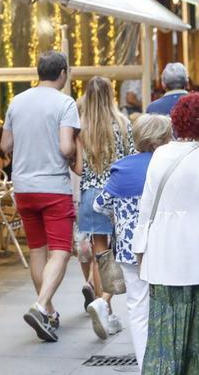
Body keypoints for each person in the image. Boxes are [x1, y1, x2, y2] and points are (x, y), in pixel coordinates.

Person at [131, 93, 199, 373]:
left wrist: (140, 248)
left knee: (165, 327)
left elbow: (146, 206)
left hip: (164, 252)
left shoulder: (160, 155)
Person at [1, 50, 80, 342]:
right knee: (61, 251)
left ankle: (47, 311)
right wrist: (74, 147)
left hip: (23, 187)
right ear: (62, 73)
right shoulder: (65, 103)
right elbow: (65, 148)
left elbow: (5, 144)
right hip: (53, 187)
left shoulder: (17, 101)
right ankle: (38, 305)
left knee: (38, 250)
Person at [94, 114, 172, 370]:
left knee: (138, 308)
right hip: (165, 245)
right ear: (160, 139)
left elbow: (99, 204)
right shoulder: (168, 165)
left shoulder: (122, 167)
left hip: (129, 249)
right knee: (167, 305)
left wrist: (119, 217)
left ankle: (144, 366)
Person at [71, 76, 133, 339]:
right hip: (116, 194)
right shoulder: (122, 123)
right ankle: (103, 304)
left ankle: (103, 305)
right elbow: (130, 158)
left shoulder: (80, 128)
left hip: (90, 196)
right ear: (111, 95)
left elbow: (78, 168)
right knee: (115, 252)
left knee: (100, 252)